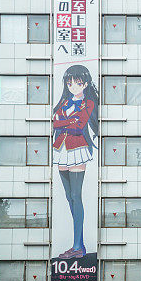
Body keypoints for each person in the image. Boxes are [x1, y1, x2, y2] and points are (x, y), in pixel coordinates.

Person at [52, 64, 99, 260]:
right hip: (61, 148)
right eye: (69, 82)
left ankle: (78, 245)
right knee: (69, 197)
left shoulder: (88, 103)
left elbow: (80, 125)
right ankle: (78, 244)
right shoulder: (64, 101)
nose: (72, 86)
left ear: (85, 83)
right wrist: (67, 122)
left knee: (75, 195)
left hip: (78, 149)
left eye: (77, 83)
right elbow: (55, 122)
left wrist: (66, 122)